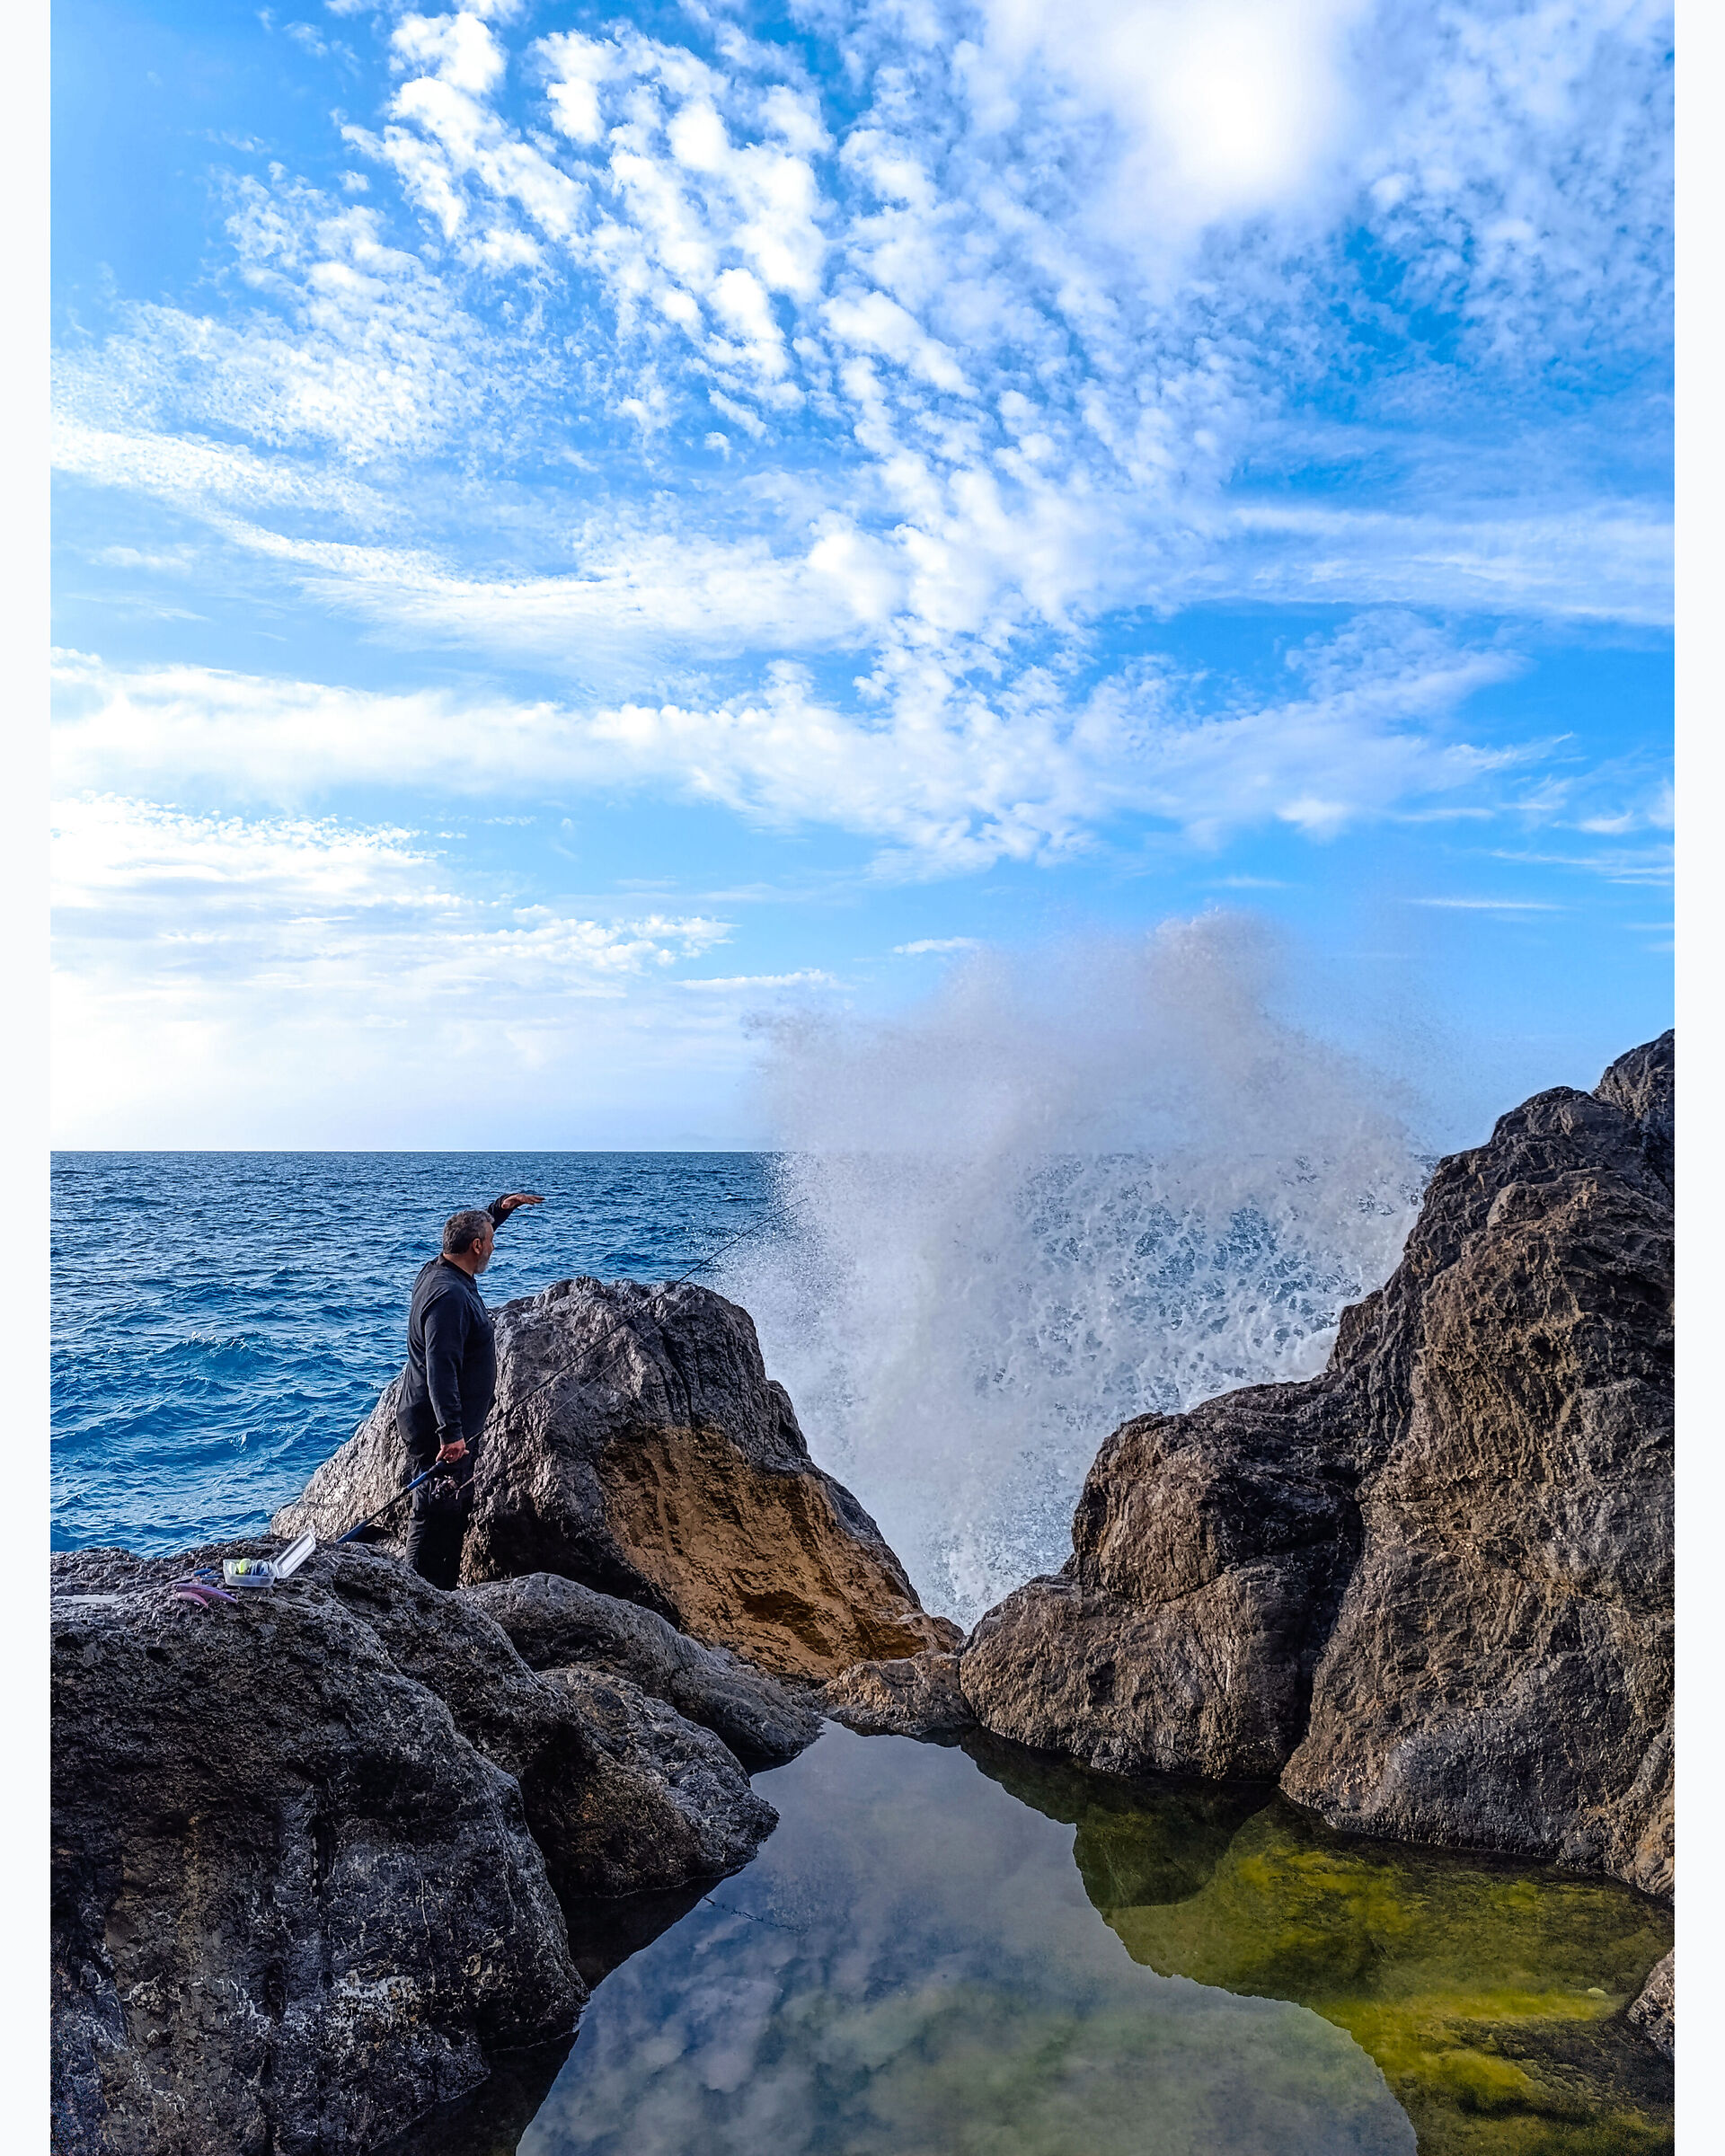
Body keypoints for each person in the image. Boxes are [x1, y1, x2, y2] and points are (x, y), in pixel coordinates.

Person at [400, 1191, 544, 1587]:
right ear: (476, 1247)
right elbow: (440, 1367)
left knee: (450, 1505)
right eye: (490, 1241)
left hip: (436, 1418)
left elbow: (474, 1231)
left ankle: (435, 1591)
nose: (493, 1248)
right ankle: (424, 1594)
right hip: (438, 1427)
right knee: (435, 1511)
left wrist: (498, 1211)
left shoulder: (440, 1269)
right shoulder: (449, 1296)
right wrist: (452, 1434)